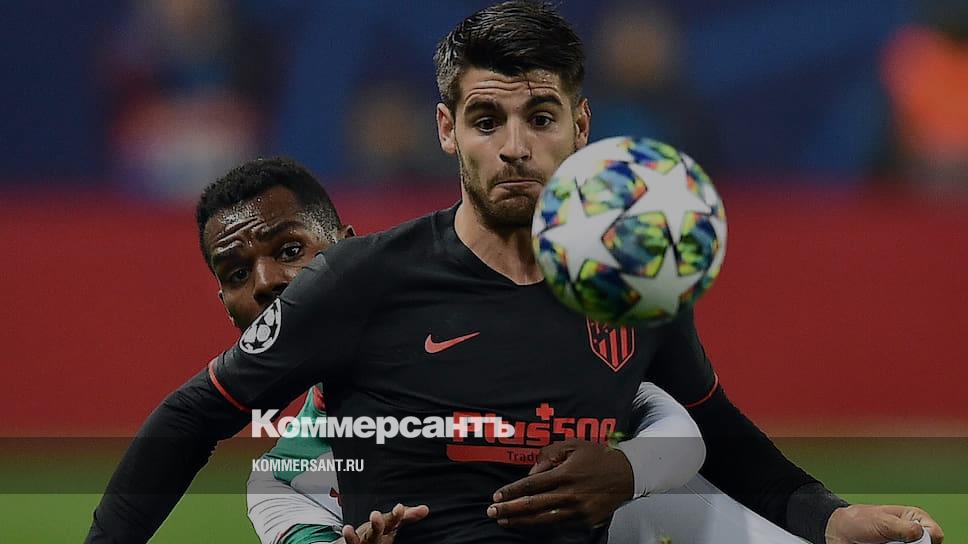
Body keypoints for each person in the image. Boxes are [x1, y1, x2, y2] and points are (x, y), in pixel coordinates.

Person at [87, 2, 943, 544]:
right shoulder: (359, 279)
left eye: (539, 116)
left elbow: (717, 431)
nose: (515, 146)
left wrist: (833, 517)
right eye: (486, 119)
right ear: (447, 130)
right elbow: (192, 416)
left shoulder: (632, 281)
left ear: (580, 125)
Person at [195, 156, 430, 543]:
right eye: (238, 274)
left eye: (290, 251)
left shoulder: (472, 341)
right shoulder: (282, 482)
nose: (265, 283)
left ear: (349, 250)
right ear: (228, 309)